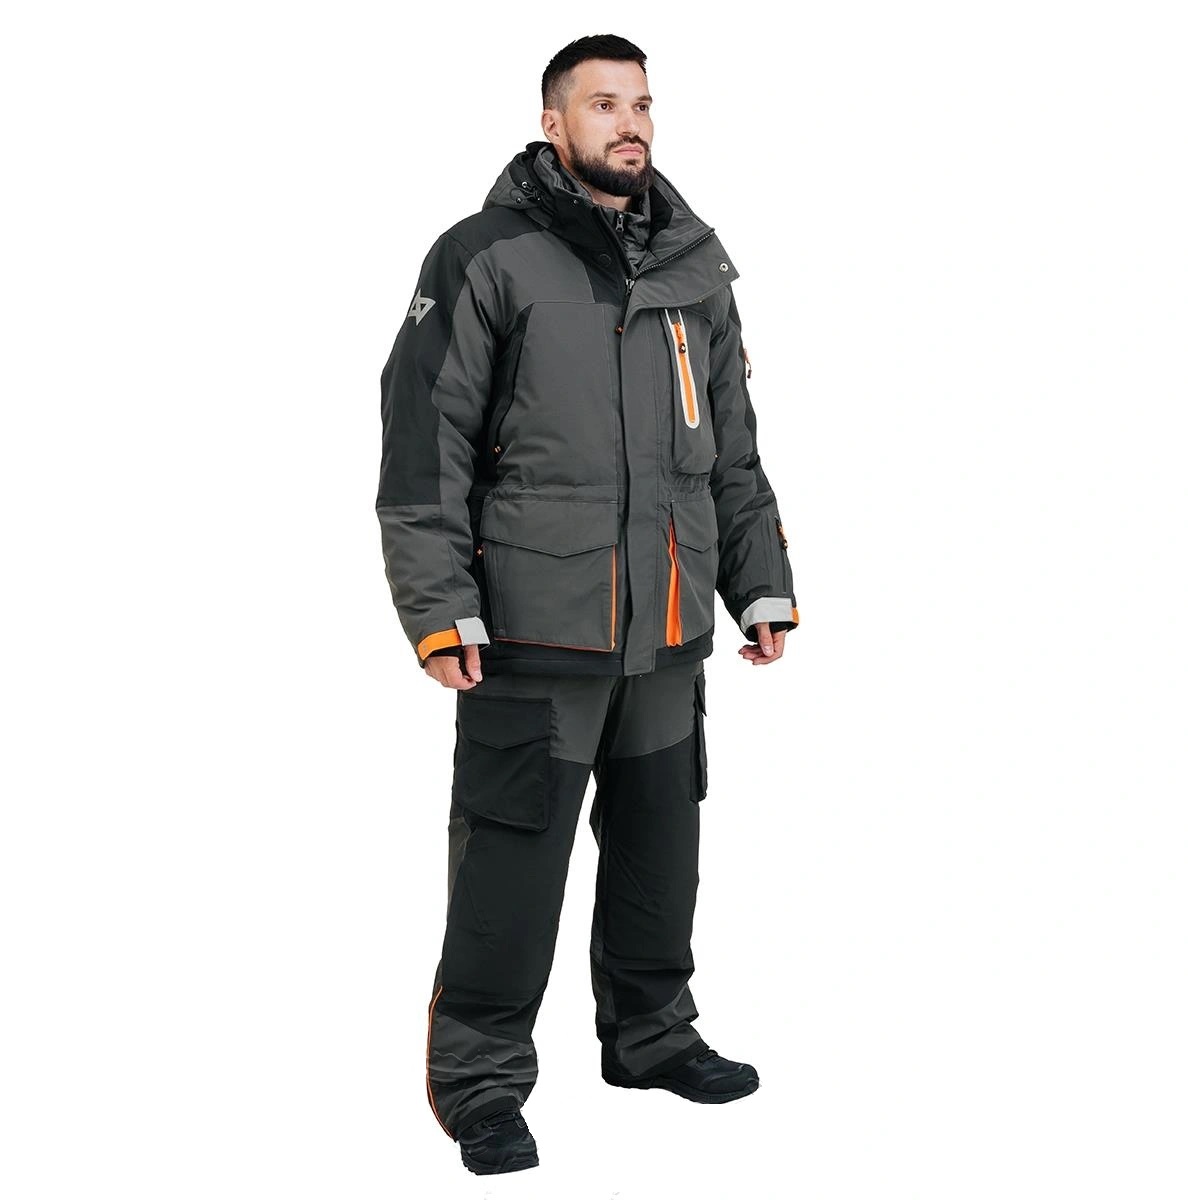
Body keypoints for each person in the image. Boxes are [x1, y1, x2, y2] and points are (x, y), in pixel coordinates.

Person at [376, 34, 799, 1176]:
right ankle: (480, 1083)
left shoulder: (694, 269)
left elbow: (733, 452)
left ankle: (652, 1036)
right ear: (553, 123)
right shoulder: (485, 256)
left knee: (663, 849)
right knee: (511, 867)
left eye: (643, 104)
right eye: (604, 103)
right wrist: (438, 607)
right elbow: (423, 444)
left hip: (667, 628)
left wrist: (759, 582)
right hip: (532, 628)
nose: (631, 123)